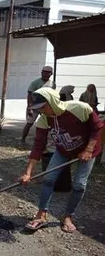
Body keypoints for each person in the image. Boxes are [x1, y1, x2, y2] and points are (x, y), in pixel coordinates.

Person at [19, 87, 103, 233]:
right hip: (63, 150)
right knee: (48, 179)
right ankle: (41, 215)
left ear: (52, 102)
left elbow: (98, 128)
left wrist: (88, 149)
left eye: (43, 107)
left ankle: (68, 217)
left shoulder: (80, 108)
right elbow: (38, 146)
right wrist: (28, 172)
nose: (41, 111)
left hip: (87, 151)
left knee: (79, 185)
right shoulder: (44, 119)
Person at [21, 66, 57, 144]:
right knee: (29, 123)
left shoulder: (52, 84)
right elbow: (29, 95)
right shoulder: (35, 83)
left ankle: (47, 141)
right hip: (34, 106)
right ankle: (23, 139)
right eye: (44, 72)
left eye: (48, 73)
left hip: (46, 106)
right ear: (41, 73)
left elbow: (52, 96)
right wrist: (29, 107)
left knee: (50, 124)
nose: (45, 74)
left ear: (51, 74)